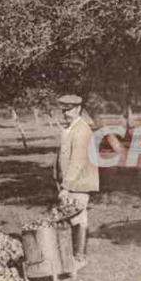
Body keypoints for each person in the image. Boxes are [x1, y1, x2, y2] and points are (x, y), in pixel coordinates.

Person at [54, 95, 99, 265]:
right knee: (72, 217)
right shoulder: (72, 128)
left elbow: (77, 162)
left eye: (69, 109)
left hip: (79, 183)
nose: (65, 113)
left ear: (78, 109)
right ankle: (74, 255)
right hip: (72, 183)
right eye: (63, 110)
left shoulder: (81, 130)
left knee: (79, 218)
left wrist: (66, 186)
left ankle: (79, 256)